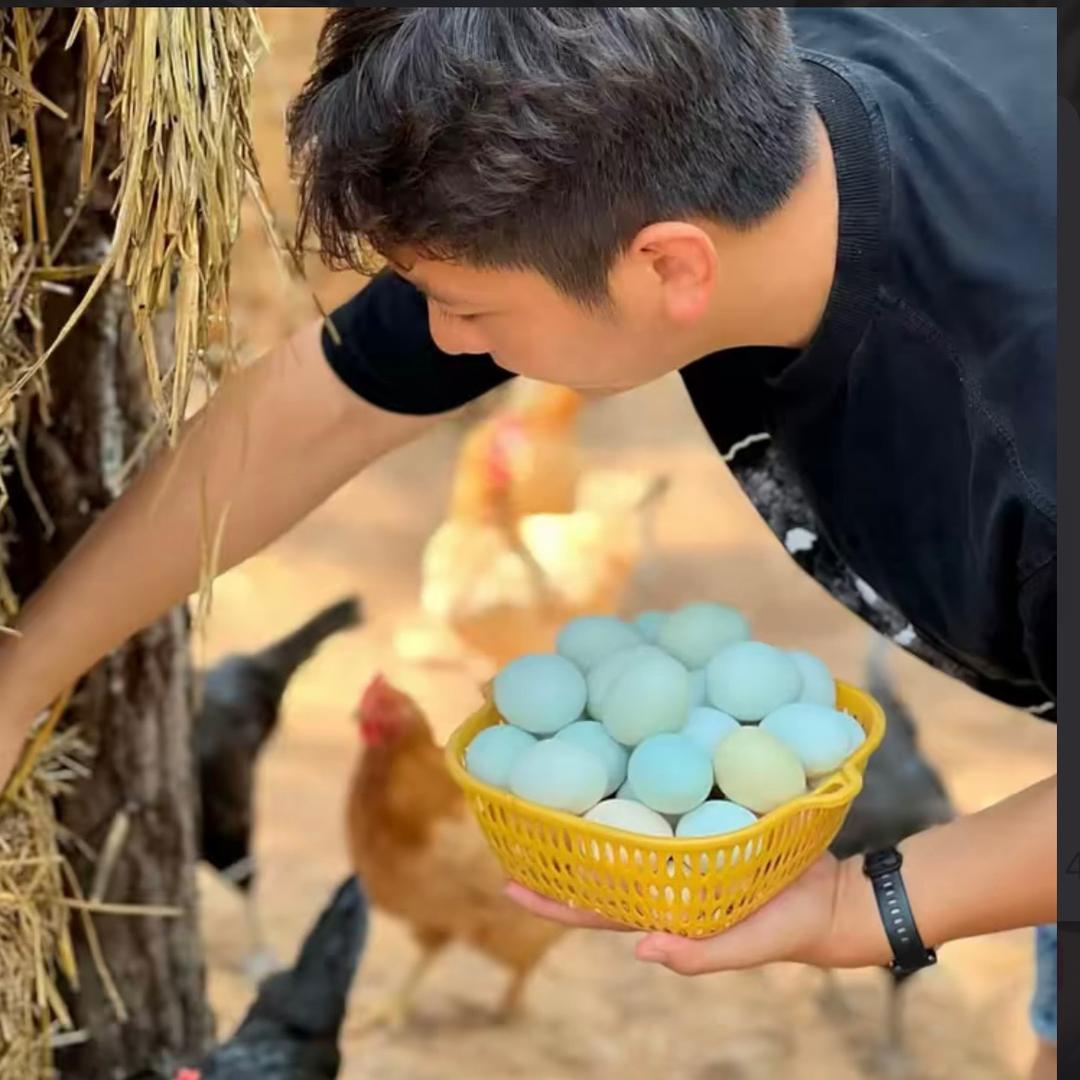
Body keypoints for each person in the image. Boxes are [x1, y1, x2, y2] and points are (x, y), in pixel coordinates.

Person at [0, 8, 1055, 1073]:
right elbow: (317, 408)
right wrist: (22, 674)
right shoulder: (674, 122)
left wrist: (859, 910)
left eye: (465, 308)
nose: (443, 338)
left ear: (669, 269)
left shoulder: (1020, 435)